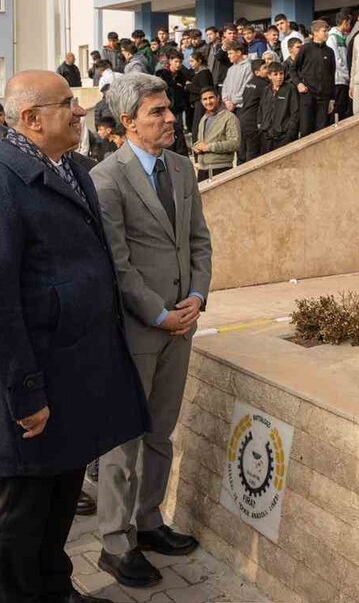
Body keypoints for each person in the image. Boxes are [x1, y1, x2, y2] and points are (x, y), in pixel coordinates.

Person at [0, 71, 148, 603]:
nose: (81, 112)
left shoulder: (71, 169)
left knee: (61, 498)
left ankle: (56, 590)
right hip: (36, 382)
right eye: (68, 105)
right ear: (32, 119)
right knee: (23, 512)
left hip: (76, 374)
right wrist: (25, 393)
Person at [92, 74, 212, 587]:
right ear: (127, 123)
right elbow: (117, 265)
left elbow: (200, 242)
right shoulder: (107, 179)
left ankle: (148, 521)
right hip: (137, 330)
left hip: (181, 327)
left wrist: (197, 298)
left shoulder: (183, 169)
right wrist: (158, 314)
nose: (169, 119)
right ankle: (115, 544)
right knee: (123, 441)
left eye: (169, 110)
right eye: (156, 112)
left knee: (160, 432)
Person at [294, 19, 337, 137]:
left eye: (327, 31)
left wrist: (332, 99)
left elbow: (332, 75)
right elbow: (293, 69)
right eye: (324, 31)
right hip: (308, 95)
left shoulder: (330, 52)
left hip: (324, 97)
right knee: (306, 129)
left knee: (321, 131)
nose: (327, 33)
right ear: (315, 32)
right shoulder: (305, 49)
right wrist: (299, 84)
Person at [191, 87, 240, 181]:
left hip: (221, 169)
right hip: (202, 169)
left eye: (211, 98)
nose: (208, 102)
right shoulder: (204, 118)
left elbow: (235, 143)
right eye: (205, 99)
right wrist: (196, 147)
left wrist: (208, 147)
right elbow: (201, 142)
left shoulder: (229, 117)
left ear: (218, 98)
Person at [259, 64, 299, 153]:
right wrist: (261, 125)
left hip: (283, 136)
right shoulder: (266, 90)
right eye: (275, 74)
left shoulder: (290, 88)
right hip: (267, 135)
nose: (279, 77)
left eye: (281, 74)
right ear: (269, 76)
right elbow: (261, 109)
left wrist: (290, 132)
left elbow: (295, 112)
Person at [156, 54, 192, 154]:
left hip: (178, 108)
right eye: (176, 61)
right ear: (170, 61)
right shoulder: (162, 74)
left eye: (180, 62)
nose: (178, 64)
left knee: (178, 131)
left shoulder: (182, 75)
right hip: (165, 108)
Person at [237, 61, 268, 163]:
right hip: (252, 122)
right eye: (264, 68)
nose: (267, 70)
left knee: (242, 153)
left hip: (242, 120)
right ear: (257, 72)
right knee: (252, 153)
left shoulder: (249, 83)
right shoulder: (264, 85)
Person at [185, 51, 215, 138]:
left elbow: (205, 90)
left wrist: (189, 86)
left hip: (201, 103)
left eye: (192, 61)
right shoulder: (198, 73)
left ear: (199, 61)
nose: (190, 64)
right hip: (198, 103)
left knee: (197, 126)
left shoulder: (204, 73)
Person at [329, 12, 353, 120]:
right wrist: (347, 75)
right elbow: (337, 60)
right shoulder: (332, 37)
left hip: (344, 79)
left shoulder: (343, 37)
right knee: (337, 110)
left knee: (343, 109)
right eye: (349, 23)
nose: (350, 26)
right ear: (344, 22)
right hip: (338, 80)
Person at [220, 43, 251, 114]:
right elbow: (225, 86)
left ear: (239, 53)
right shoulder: (230, 69)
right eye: (228, 54)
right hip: (228, 106)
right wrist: (226, 100)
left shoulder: (248, 67)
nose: (228, 56)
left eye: (231, 53)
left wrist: (233, 102)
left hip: (241, 107)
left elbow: (246, 87)